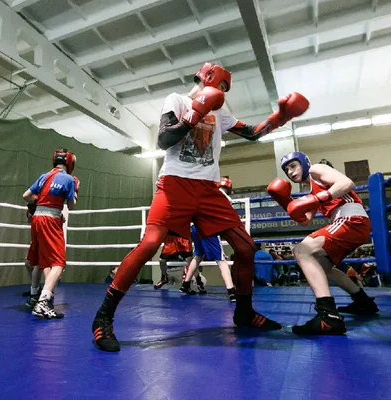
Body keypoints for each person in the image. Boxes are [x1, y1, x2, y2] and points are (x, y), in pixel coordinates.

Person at [92, 62, 309, 352]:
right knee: (150, 243)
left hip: (208, 189)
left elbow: (254, 132)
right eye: (221, 87)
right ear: (208, 78)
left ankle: (244, 312)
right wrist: (196, 113)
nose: (222, 94)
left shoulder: (222, 113)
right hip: (174, 184)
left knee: (245, 248)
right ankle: (103, 317)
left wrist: (280, 117)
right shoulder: (177, 101)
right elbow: (164, 138)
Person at [267, 151, 378, 335]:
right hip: (347, 223)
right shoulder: (312, 190)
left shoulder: (317, 170)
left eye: (293, 166)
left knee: (302, 250)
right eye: (287, 170)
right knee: (322, 266)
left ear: (304, 163)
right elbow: (305, 221)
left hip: (352, 219)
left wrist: (318, 198)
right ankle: (362, 302)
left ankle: (328, 317)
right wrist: (286, 202)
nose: (290, 172)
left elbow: (347, 183)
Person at [23, 149, 79, 319]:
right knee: (59, 262)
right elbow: (71, 205)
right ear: (70, 163)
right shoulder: (69, 179)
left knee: (45, 259)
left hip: (36, 219)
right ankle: (43, 302)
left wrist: (40, 203)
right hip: (50, 220)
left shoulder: (44, 176)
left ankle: (41, 296)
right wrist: (75, 190)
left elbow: (26, 196)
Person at [180, 177, 236, 301]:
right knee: (221, 260)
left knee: (198, 255)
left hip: (195, 227)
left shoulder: (207, 193)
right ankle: (231, 291)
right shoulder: (227, 199)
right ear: (229, 188)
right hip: (209, 227)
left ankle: (185, 284)